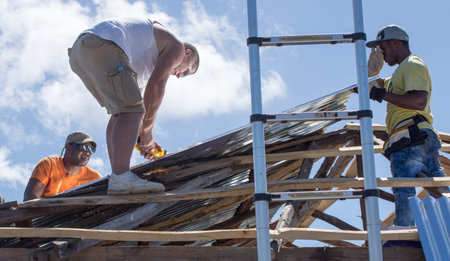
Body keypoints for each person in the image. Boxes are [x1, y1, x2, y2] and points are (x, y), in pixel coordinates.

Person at [68, 18, 199, 195]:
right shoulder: (177, 47)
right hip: (103, 44)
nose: (178, 75)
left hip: (81, 54)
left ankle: (118, 175)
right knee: (132, 110)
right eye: (185, 72)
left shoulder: (142, 63)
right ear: (187, 53)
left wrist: (142, 138)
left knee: (121, 113)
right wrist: (147, 132)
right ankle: (121, 177)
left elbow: (124, 114)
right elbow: (157, 85)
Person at [366, 24, 447, 227]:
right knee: (439, 189)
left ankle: (404, 230)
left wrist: (382, 94)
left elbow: (419, 100)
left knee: (404, 187)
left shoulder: (412, 64)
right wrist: (370, 72)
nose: (382, 55)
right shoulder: (397, 75)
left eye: (383, 49)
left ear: (395, 43)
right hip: (416, 137)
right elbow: (370, 89)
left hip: (410, 137)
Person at [23, 131, 102, 201]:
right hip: (45, 217)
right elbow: (29, 201)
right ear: (68, 147)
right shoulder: (48, 164)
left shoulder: (95, 178)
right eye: (84, 147)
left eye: (92, 149)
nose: (88, 153)